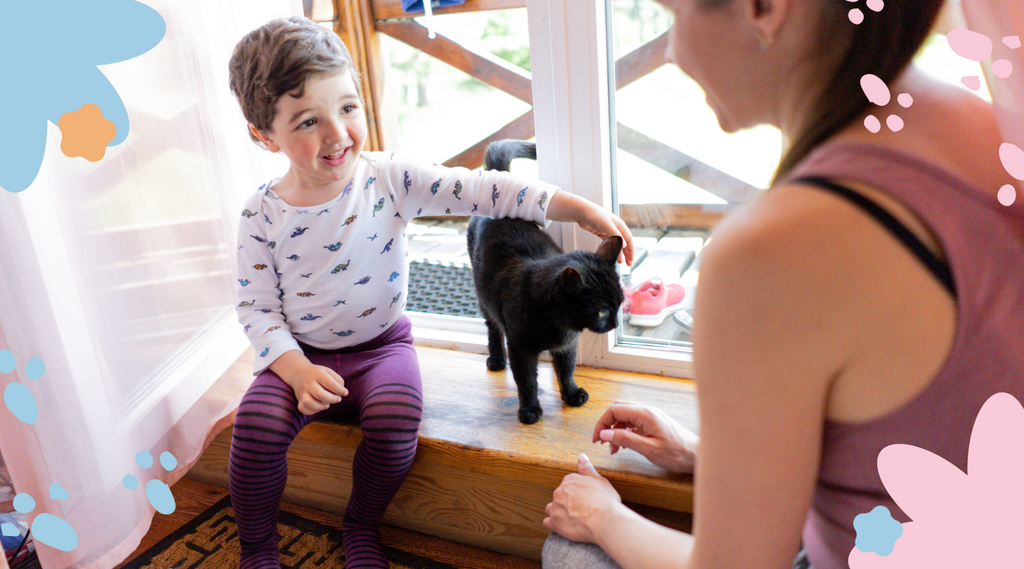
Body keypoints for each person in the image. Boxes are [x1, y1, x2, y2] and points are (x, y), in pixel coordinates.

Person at [541, 0, 1024, 568]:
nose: (670, 52)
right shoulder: (979, 120)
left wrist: (603, 515)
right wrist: (711, 455)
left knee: (565, 549)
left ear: (764, 9)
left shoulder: (770, 251)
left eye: (676, 15)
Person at [226, 16, 634, 569]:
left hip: (382, 349)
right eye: (307, 121)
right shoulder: (260, 213)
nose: (338, 134)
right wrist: (294, 369)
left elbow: (485, 188)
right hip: (299, 356)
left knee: (398, 422)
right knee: (253, 428)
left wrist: (576, 208)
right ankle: (257, 549)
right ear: (263, 134)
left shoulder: (388, 177)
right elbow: (256, 306)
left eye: (348, 108)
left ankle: (360, 525)